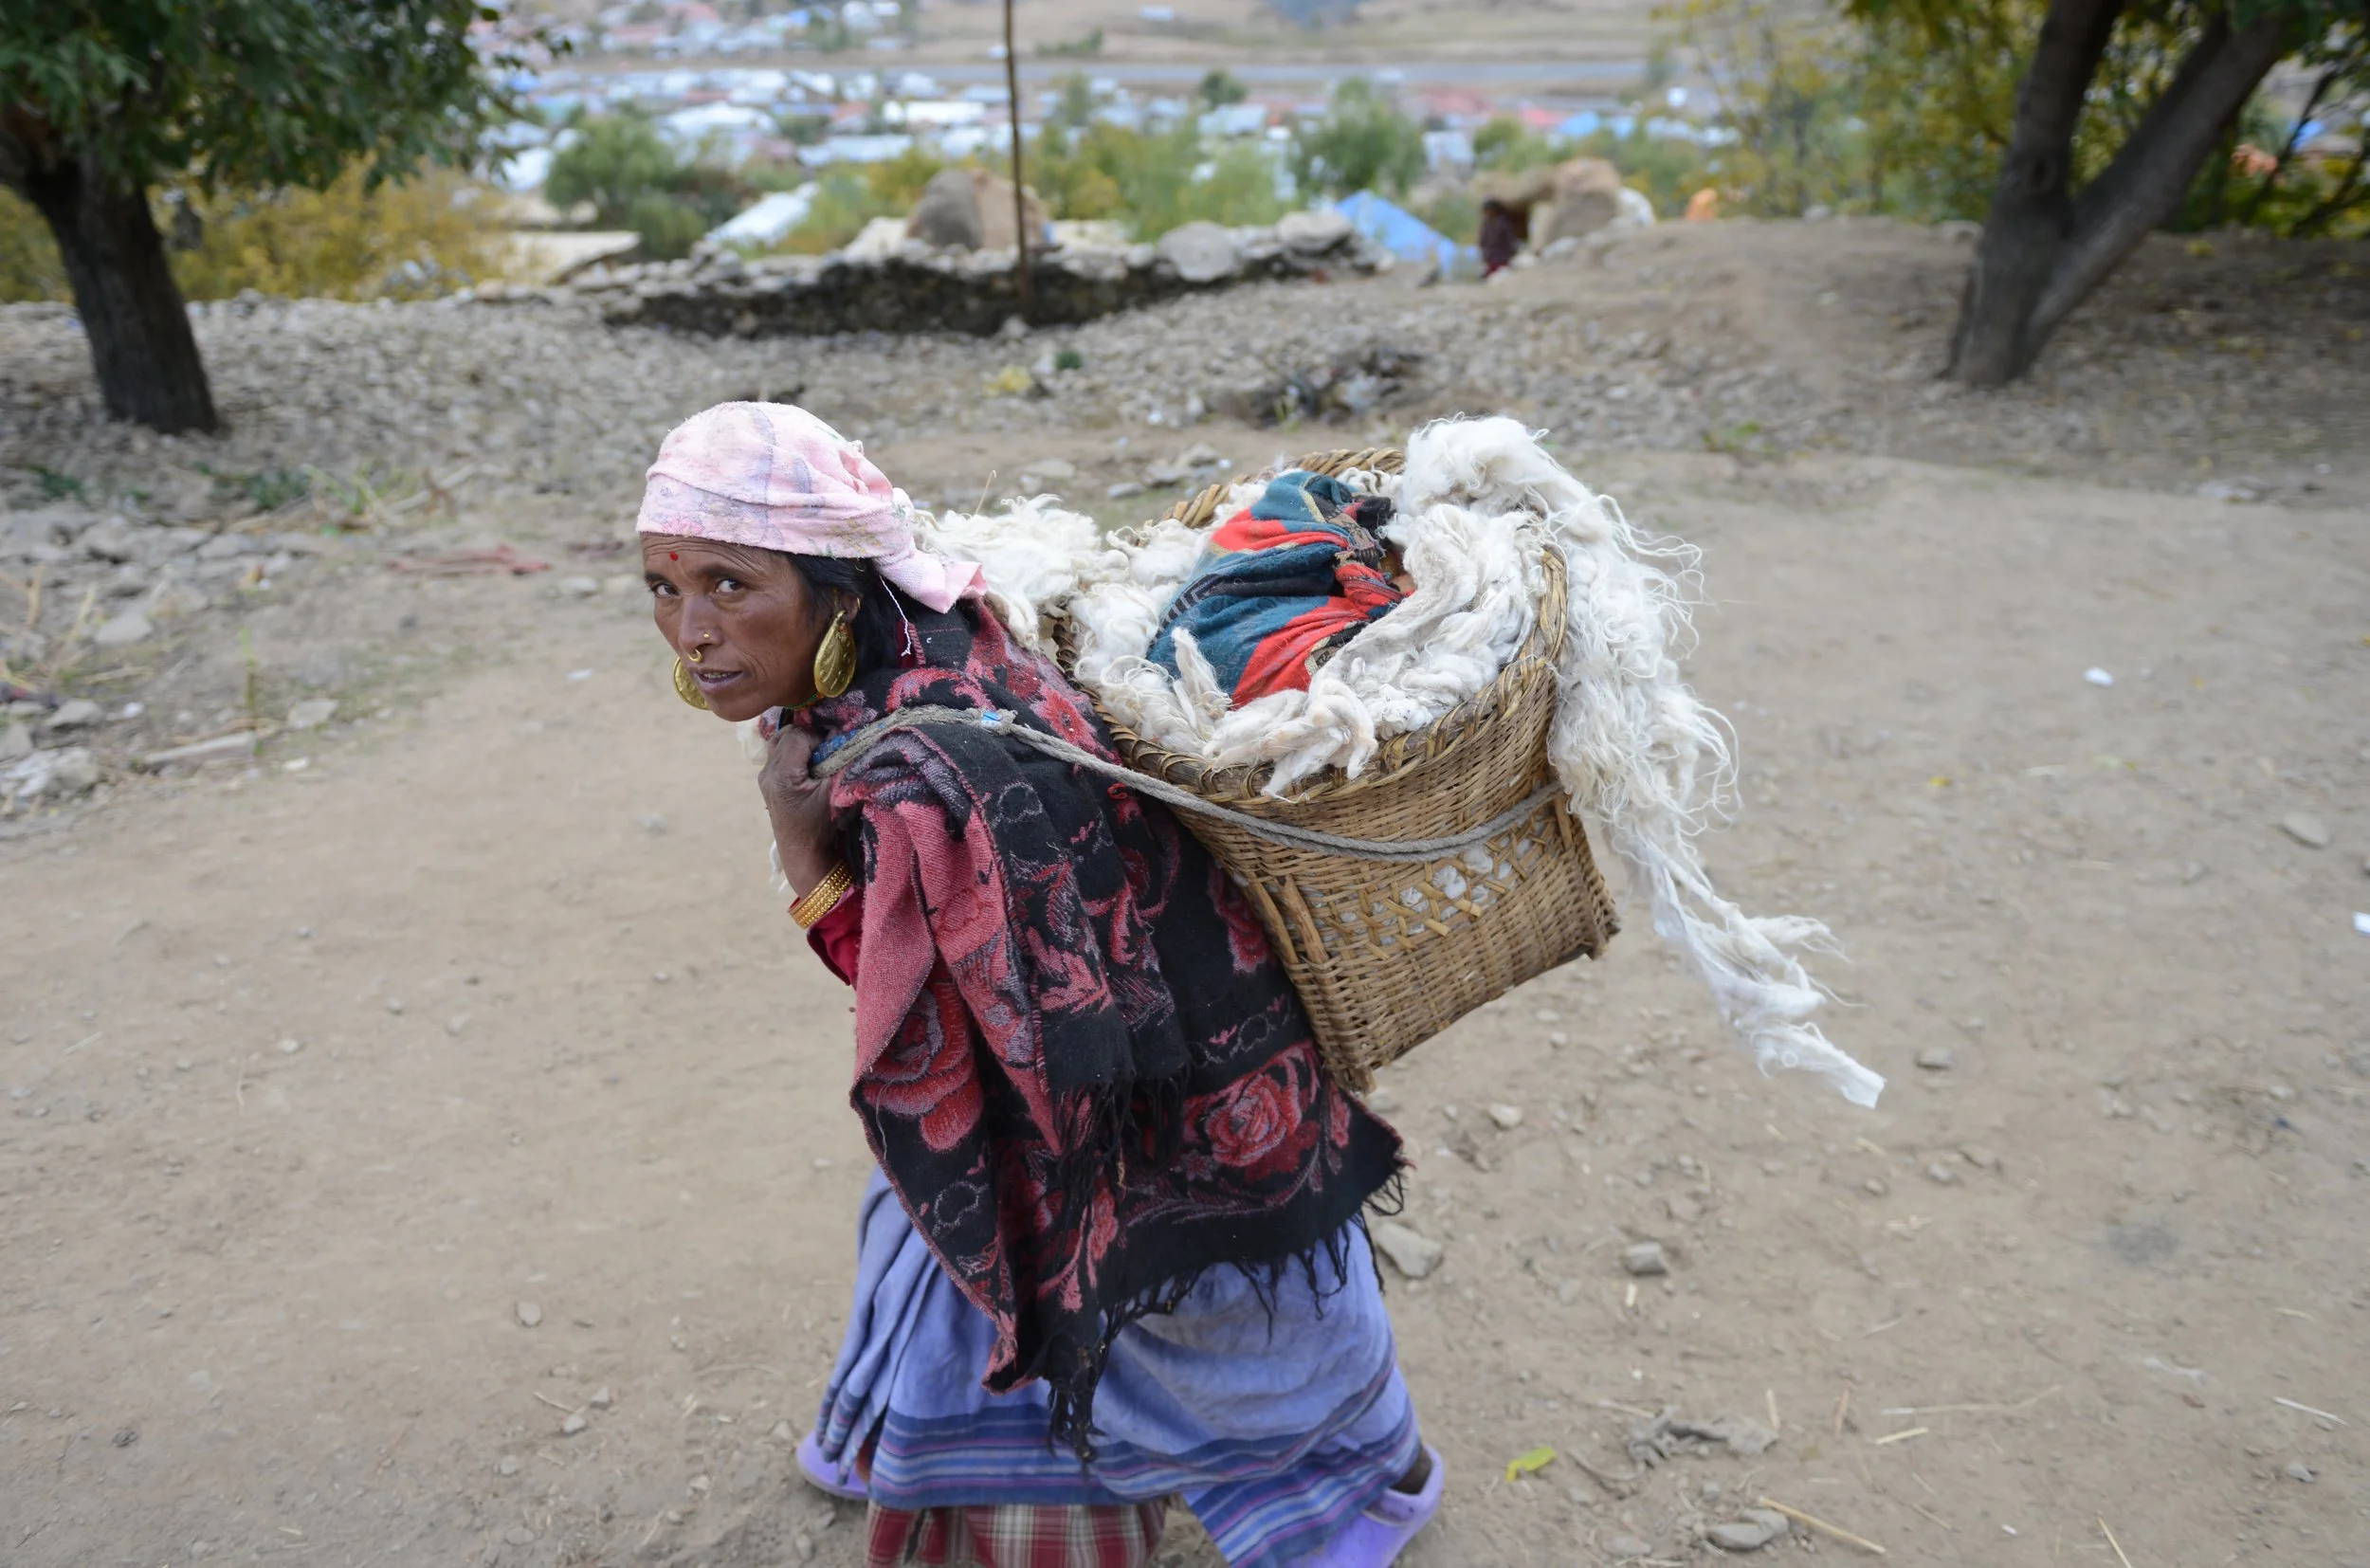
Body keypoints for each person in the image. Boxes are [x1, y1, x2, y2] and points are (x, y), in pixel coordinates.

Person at [636, 401, 1443, 1568]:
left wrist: (806, 859)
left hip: (1145, 1109)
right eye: (664, 587)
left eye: (730, 584)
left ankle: (1344, 1500)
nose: (691, 631)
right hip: (1215, 1044)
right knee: (942, 1234)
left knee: (1166, 1322)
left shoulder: (913, 772)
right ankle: (894, 1431)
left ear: (837, 591)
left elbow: (930, 1041)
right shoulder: (942, 631)